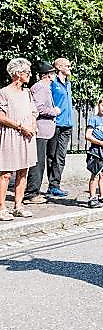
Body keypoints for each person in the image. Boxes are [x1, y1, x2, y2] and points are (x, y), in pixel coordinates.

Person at [0, 58, 38, 221]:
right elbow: (0, 116)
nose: (30, 75)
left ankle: (18, 206)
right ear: (17, 74)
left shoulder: (27, 92)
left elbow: (33, 112)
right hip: (11, 135)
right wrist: (21, 126)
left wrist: (33, 126)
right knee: (6, 173)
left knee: (23, 171)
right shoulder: (4, 92)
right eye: (27, 72)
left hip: (27, 137)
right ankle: (1, 208)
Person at [24, 62, 60, 204]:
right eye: (53, 73)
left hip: (44, 132)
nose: (55, 76)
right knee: (37, 163)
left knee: (39, 162)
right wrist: (54, 111)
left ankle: (33, 192)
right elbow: (37, 108)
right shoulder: (41, 87)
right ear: (48, 75)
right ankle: (31, 194)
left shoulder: (44, 87)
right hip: (40, 131)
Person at [46, 57, 73, 198]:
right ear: (60, 67)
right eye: (67, 66)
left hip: (67, 125)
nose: (70, 68)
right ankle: (52, 186)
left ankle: (55, 185)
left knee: (61, 156)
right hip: (55, 123)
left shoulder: (68, 84)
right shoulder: (52, 83)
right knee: (51, 155)